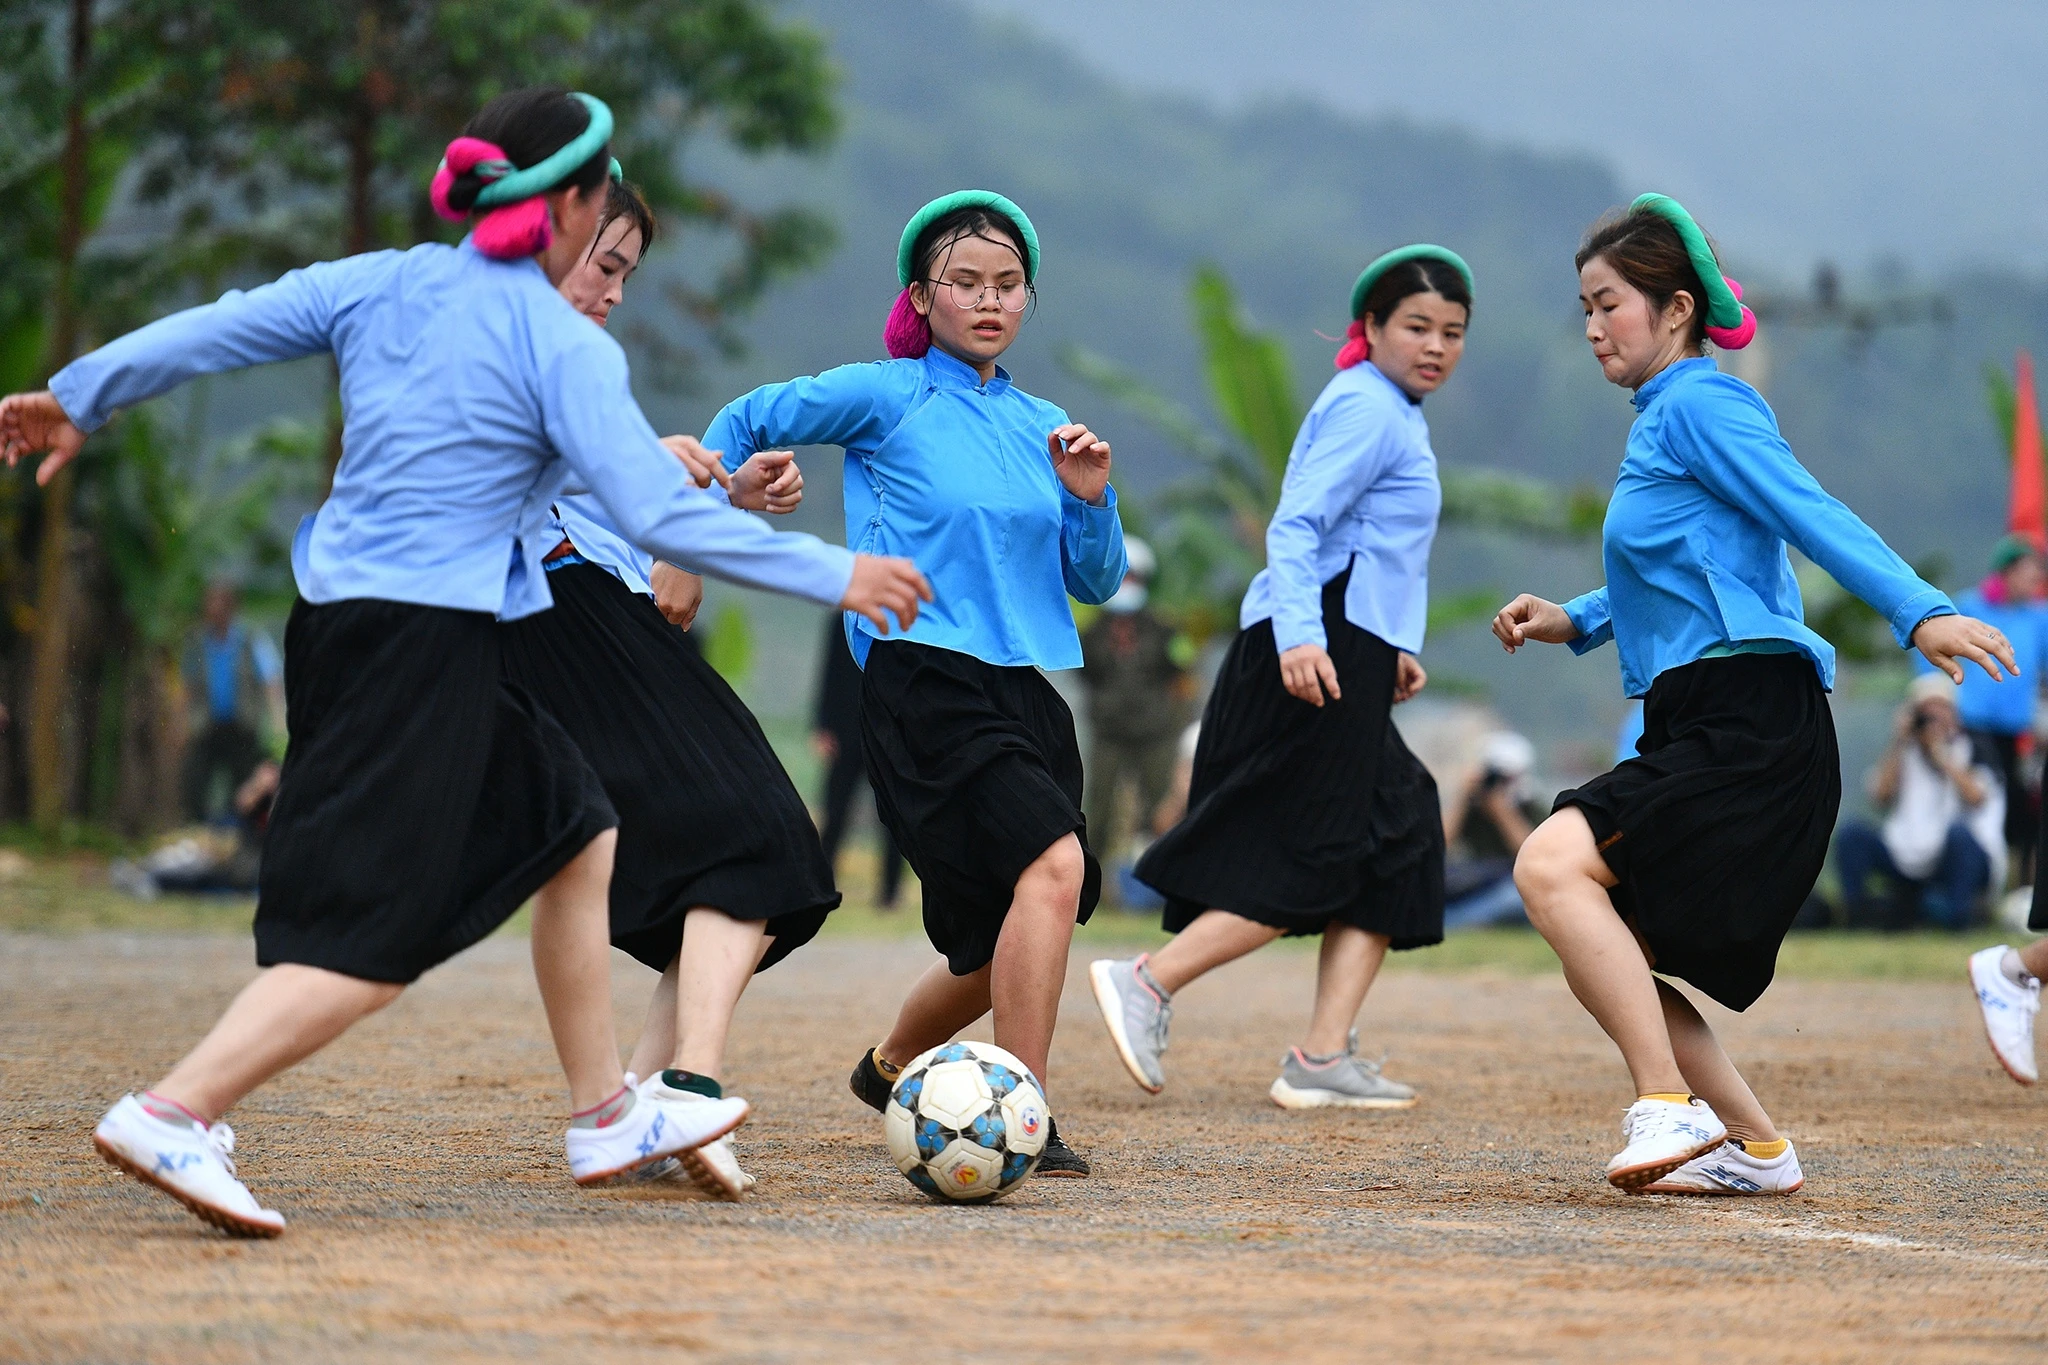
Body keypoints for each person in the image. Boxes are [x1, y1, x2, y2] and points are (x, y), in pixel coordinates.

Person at [0, 87, 929, 1237]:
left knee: (576, 827)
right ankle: (175, 1109)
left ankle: (604, 1112)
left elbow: (224, 325)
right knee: (376, 948)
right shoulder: (559, 344)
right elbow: (660, 513)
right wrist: (835, 574)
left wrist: (81, 398)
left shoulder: (384, 278)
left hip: (343, 627)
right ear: (575, 205)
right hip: (423, 644)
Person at [1491, 193, 2016, 1197]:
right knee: (1610, 942)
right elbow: (1696, 565)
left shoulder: (1699, 404)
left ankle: (1663, 1106)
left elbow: (1802, 514)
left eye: (1608, 304)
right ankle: (1756, 1148)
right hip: (1708, 711)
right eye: (1584, 307)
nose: (1593, 325)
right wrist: (1574, 618)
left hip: (1748, 714)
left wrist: (1920, 613)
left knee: (1549, 867)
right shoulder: (1668, 419)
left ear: (1676, 308)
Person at [702, 190, 1127, 1176]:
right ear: (922, 297)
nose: (988, 300)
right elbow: (751, 414)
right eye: (964, 282)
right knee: (1053, 870)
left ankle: (889, 1063)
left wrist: (1092, 500)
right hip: (917, 682)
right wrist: (707, 505)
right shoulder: (886, 395)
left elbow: (1093, 580)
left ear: (1028, 299)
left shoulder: (1045, 424)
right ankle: (1023, 1108)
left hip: (1026, 691)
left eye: (1007, 284)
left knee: (1001, 937)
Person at [499, 176, 852, 1199]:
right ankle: (676, 1091)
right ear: (547, 233)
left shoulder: (574, 355)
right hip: (560, 622)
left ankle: (647, 1103)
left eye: (627, 275)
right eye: (604, 264)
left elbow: (603, 500)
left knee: (736, 870)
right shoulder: (507, 343)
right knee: (753, 835)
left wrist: (720, 494)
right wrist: (651, 468)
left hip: (594, 611)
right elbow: (532, 466)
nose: (613, 291)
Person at [1093, 245, 1465, 1111]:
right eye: (1416, 326)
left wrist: (1392, 644)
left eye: (1452, 332)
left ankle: (1322, 1055)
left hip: (1350, 638)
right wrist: (1307, 638)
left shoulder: (1394, 410)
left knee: (1401, 825)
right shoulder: (1370, 407)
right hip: (1315, 640)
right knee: (1313, 846)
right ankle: (1150, 979)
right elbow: (1297, 527)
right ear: (1369, 328)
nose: (1436, 345)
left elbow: (1370, 545)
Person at [1923, 535, 2048, 885]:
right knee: (1979, 802)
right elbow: (1929, 663)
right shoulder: (1968, 608)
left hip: (2018, 733)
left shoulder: (2038, 618)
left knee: (2023, 807)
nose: (2035, 581)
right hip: (1971, 727)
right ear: (2006, 572)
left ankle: (2019, 886)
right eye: (2029, 572)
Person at [1834, 673, 2003, 930]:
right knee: (1851, 834)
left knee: (1960, 836)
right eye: (1925, 711)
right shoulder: (1903, 751)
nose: (1933, 718)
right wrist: (1900, 740)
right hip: (1904, 853)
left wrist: (1942, 756)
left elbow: (1977, 798)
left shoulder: (1973, 747)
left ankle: (1959, 919)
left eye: (1940, 709)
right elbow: (1880, 796)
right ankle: (1857, 915)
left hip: (1953, 856)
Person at [1079, 536, 1190, 886]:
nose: (1127, 584)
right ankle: (1090, 884)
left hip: (1154, 733)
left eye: (1133, 577)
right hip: (1108, 733)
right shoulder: (1092, 632)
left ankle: (1167, 883)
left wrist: (1176, 718)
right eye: (1121, 576)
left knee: (1161, 806)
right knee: (1099, 810)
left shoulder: (1165, 628)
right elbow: (1085, 675)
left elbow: (1184, 671)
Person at [812, 612, 906, 908]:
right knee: (835, 812)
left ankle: (889, 893)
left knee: (895, 819)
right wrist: (823, 726)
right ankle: (821, 886)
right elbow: (829, 673)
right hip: (846, 734)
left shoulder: (901, 618)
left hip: (889, 734)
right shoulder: (842, 620)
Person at [180, 581, 284, 823]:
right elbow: (188, 686)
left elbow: (270, 679)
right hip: (208, 724)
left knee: (244, 784)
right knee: (196, 779)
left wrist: (278, 720)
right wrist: (182, 723)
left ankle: (240, 833)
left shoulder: (249, 640)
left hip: (242, 725)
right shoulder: (198, 642)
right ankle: (201, 828)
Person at [1442, 730, 1544, 930]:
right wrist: (1462, 797)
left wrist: (1503, 813)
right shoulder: (1471, 807)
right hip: (1476, 883)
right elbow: (1438, 846)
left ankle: (1454, 923)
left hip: (1512, 884)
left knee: (1513, 896)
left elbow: (1534, 856)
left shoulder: (1532, 806)